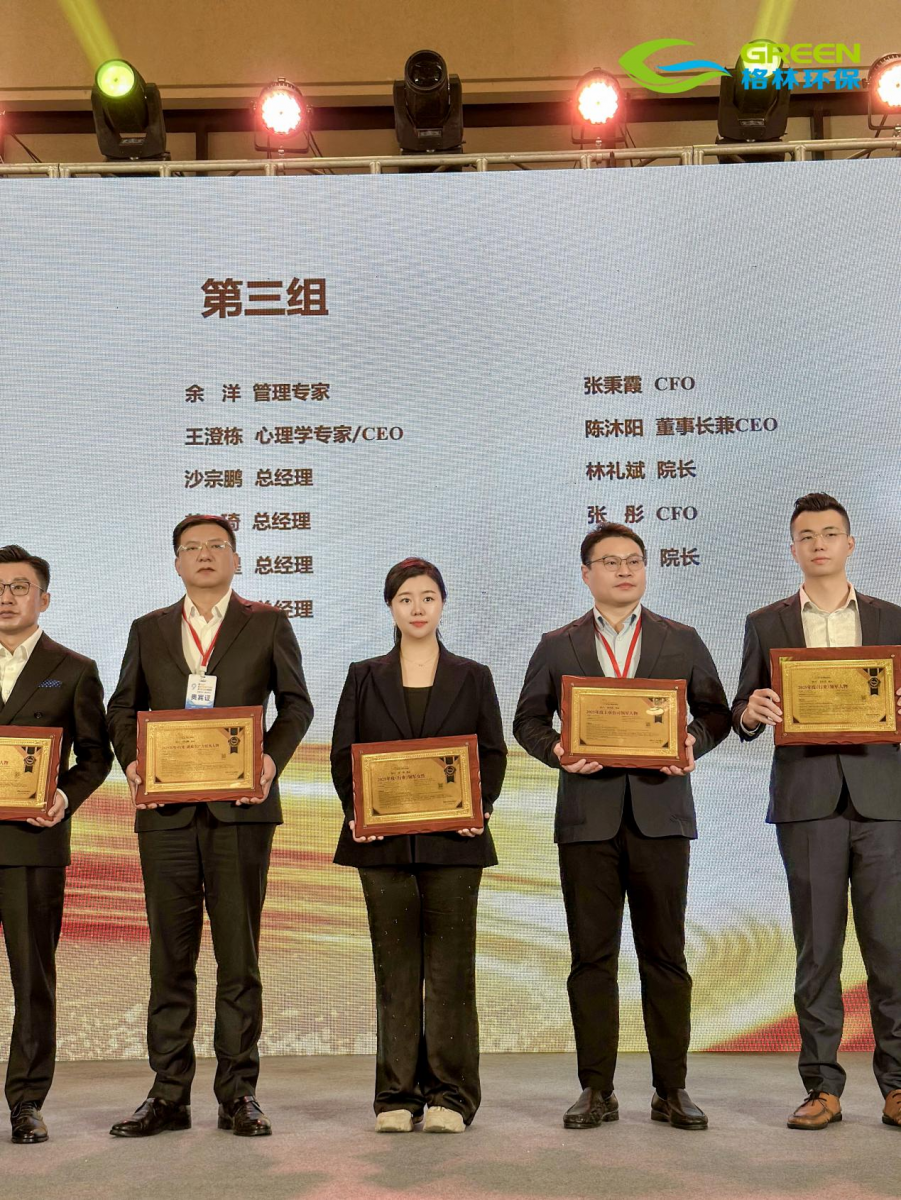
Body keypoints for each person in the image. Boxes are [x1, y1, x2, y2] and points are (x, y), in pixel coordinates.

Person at [513, 524, 730, 1131]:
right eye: (610, 562)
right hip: (587, 819)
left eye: (634, 560)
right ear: (587, 574)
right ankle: (596, 1089)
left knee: (666, 955)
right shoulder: (557, 645)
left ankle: (671, 1089)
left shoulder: (680, 639)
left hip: (662, 815)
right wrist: (558, 750)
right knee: (592, 958)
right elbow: (527, 720)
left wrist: (691, 742)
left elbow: (715, 711)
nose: (625, 570)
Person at [106, 516, 313, 1138]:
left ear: (235, 559)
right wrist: (135, 763)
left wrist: (269, 762)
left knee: (238, 957)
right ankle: (168, 1094)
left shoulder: (268, 623)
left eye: (216, 546)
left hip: (242, 811)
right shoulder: (148, 629)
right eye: (191, 548)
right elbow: (122, 706)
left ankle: (238, 1094)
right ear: (176, 563)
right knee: (169, 958)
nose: (204, 555)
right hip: (166, 815)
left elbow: (296, 704)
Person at [732, 492, 901, 1131]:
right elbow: (743, 708)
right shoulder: (766, 624)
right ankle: (822, 1086)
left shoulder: (893, 620)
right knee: (817, 949)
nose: (819, 544)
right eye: (807, 536)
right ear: (794, 549)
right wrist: (751, 713)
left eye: (830, 533)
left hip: (884, 802)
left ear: (850, 544)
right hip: (807, 803)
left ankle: (898, 1085)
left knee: (891, 947)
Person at [331, 558, 506, 1133]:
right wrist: (358, 812)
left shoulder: (473, 676)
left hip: (454, 842)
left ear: (442, 604)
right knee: (396, 973)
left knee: (451, 973)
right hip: (382, 845)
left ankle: (451, 1098)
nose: (417, 608)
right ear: (391, 608)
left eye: (428, 597)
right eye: (406, 598)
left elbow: (492, 753)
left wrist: (479, 808)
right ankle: (396, 1097)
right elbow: (343, 754)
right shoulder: (364, 676)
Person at [0, 544, 112, 1144]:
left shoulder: (73, 668)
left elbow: (96, 756)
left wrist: (63, 797)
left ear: (44, 599)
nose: (6, 597)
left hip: (32, 844)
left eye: (19, 587)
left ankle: (26, 1100)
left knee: (33, 977)